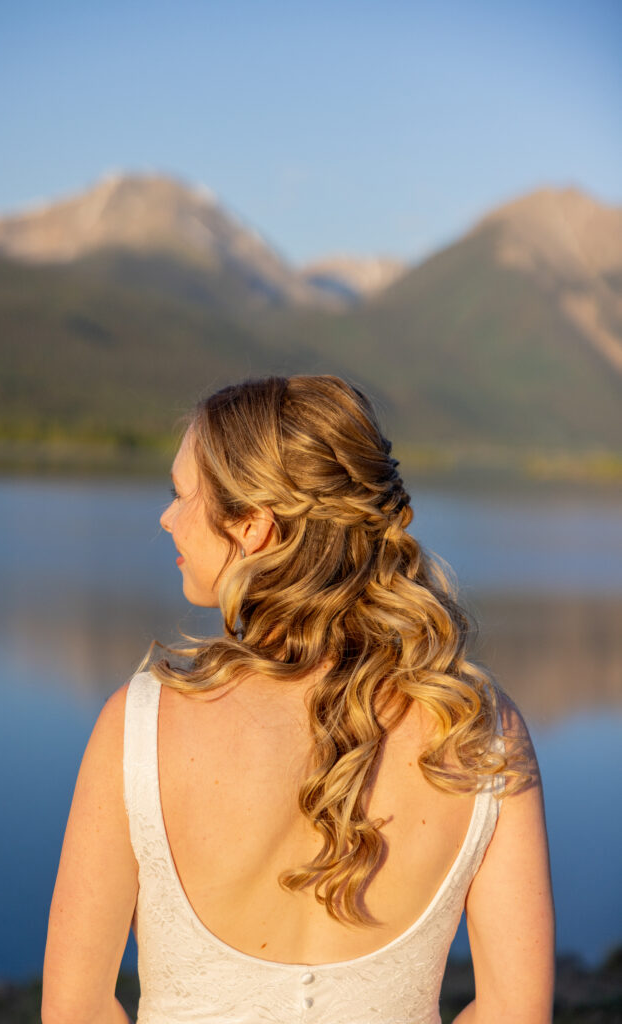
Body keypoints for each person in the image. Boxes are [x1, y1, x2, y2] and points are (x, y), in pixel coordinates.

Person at [42, 375, 554, 1024]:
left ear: (253, 526)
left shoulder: (138, 725)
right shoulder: (477, 728)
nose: (166, 517)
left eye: (179, 494)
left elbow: (74, 1009)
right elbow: (517, 1012)